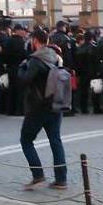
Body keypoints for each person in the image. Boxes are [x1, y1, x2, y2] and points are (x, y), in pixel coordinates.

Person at [19, 28, 67, 190]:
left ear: (35, 41)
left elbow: (25, 80)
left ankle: (38, 175)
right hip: (56, 104)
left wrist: (21, 68)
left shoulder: (35, 60)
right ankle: (61, 179)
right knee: (55, 140)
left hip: (38, 107)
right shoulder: (56, 57)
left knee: (26, 140)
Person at [3, 24, 27, 116]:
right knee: (19, 90)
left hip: (10, 67)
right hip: (18, 67)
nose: (23, 32)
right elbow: (23, 54)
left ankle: (10, 110)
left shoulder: (9, 40)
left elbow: (5, 54)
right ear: (17, 31)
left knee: (11, 89)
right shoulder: (20, 41)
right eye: (21, 30)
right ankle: (18, 110)